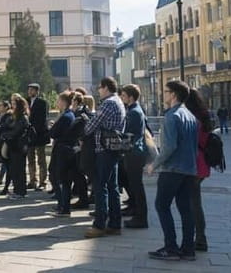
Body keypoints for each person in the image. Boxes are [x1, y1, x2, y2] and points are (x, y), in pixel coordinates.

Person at [146, 80, 199, 261]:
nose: (164, 94)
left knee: (161, 206)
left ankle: (171, 247)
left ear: (174, 95)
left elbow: (169, 147)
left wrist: (154, 164)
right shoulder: (190, 116)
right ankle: (188, 249)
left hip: (172, 170)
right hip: (189, 169)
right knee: (186, 209)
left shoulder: (171, 116)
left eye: (166, 91)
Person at [84, 77, 127, 238]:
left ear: (107, 88)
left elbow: (91, 126)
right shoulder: (118, 101)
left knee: (100, 186)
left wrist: (85, 125)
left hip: (105, 149)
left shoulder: (109, 103)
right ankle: (115, 224)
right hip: (113, 148)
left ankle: (100, 224)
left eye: (100, 88)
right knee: (112, 187)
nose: (98, 91)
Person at [185, 89, 213, 252]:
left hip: (194, 163)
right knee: (195, 202)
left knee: (193, 204)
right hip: (202, 163)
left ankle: (199, 240)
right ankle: (199, 238)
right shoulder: (204, 115)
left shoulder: (192, 118)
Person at [120, 84, 149, 229]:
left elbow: (129, 134)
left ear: (131, 97)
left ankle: (141, 217)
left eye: (124, 95)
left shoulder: (134, 112)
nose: (122, 98)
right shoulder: (134, 110)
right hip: (135, 152)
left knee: (136, 186)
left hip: (134, 152)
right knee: (134, 184)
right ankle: (135, 210)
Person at [48, 91, 76, 217]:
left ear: (64, 102)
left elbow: (53, 133)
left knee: (61, 179)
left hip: (62, 150)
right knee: (60, 178)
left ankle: (64, 206)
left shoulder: (65, 117)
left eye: (58, 100)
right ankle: (62, 205)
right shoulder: (69, 115)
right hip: (65, 149)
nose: (57, 103)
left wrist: (53, 127)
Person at [2, 93, 31, 198]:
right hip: (14, 146)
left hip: (19, 146)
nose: (12, 105)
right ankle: (17, 190)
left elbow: (17, 132)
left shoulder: (22, 117)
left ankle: (20, 191)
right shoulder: (15, 116)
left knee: (19, 170)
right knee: (14, 169)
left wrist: (6, 135)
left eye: (14, 104)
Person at [71, 92, 93, 209]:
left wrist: (80, 142)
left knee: (79, 173)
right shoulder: (84, 112)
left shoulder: (80, 113)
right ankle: (83, 198)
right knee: (80, 174)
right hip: (81, 146)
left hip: (80, 146)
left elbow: (82, 129)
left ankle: (83, 199)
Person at [26, 83, 50, 191]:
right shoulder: (26, 102)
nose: (30, 92)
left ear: (37, 91)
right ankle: (32, 180)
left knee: (41, 159)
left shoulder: (42, 103)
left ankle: (42, 181)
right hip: (29, 135)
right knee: (30, 158)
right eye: (29, 90)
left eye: (32, 90)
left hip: (39, 134)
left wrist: (34, 129)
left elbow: (42, 119)